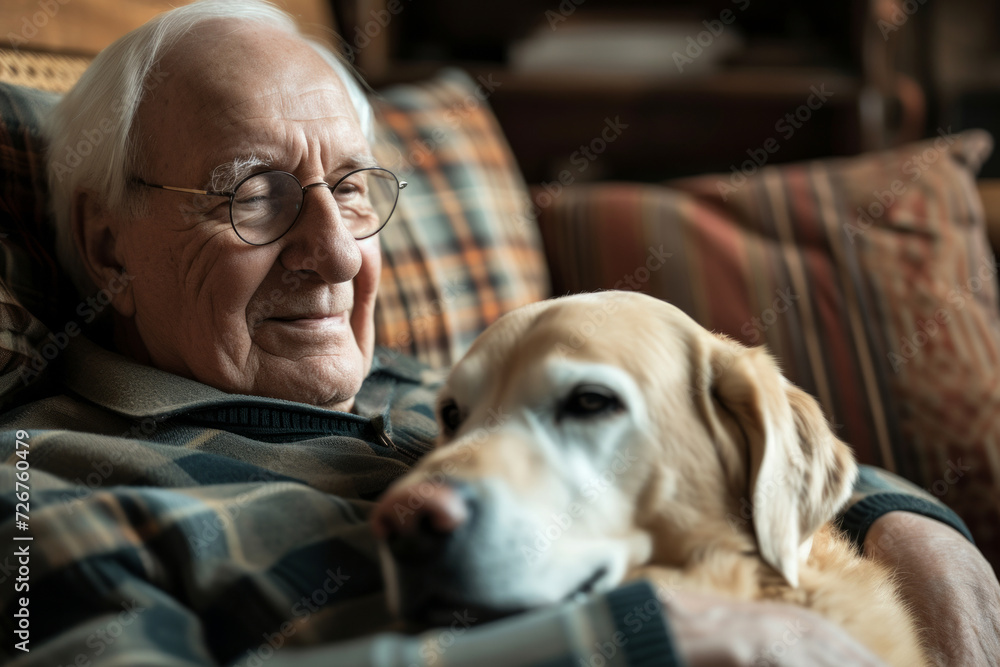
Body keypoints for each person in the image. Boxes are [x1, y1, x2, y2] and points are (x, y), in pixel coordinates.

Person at [0, 2, 997, 665]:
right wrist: (651, 635)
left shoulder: (445, 392)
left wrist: (903, 524)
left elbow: (696, 428)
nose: (339, 254)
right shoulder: (41, 488)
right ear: (109, 249)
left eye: (349, 189)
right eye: (253, 196)